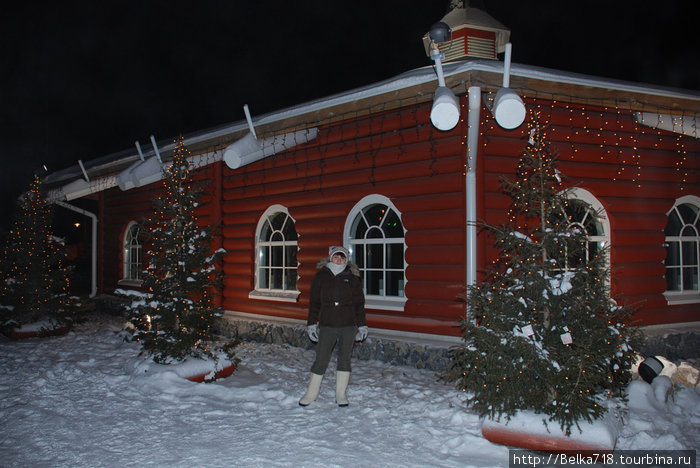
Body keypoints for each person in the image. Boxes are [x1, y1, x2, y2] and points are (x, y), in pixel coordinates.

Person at [299, 245, 368, 407]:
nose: (340, 259)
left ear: (346, 260)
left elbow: (359, 304)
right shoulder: (321, 277)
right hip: (328, 325)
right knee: (321, 359)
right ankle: (311, 394)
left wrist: (362, 325)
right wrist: (311, 324)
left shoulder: (352, 278)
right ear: (330, 258)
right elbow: (314, 303)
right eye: (337, 256)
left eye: (343, 257)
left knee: (344, 359)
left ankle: (341, 395)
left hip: (348, 326)